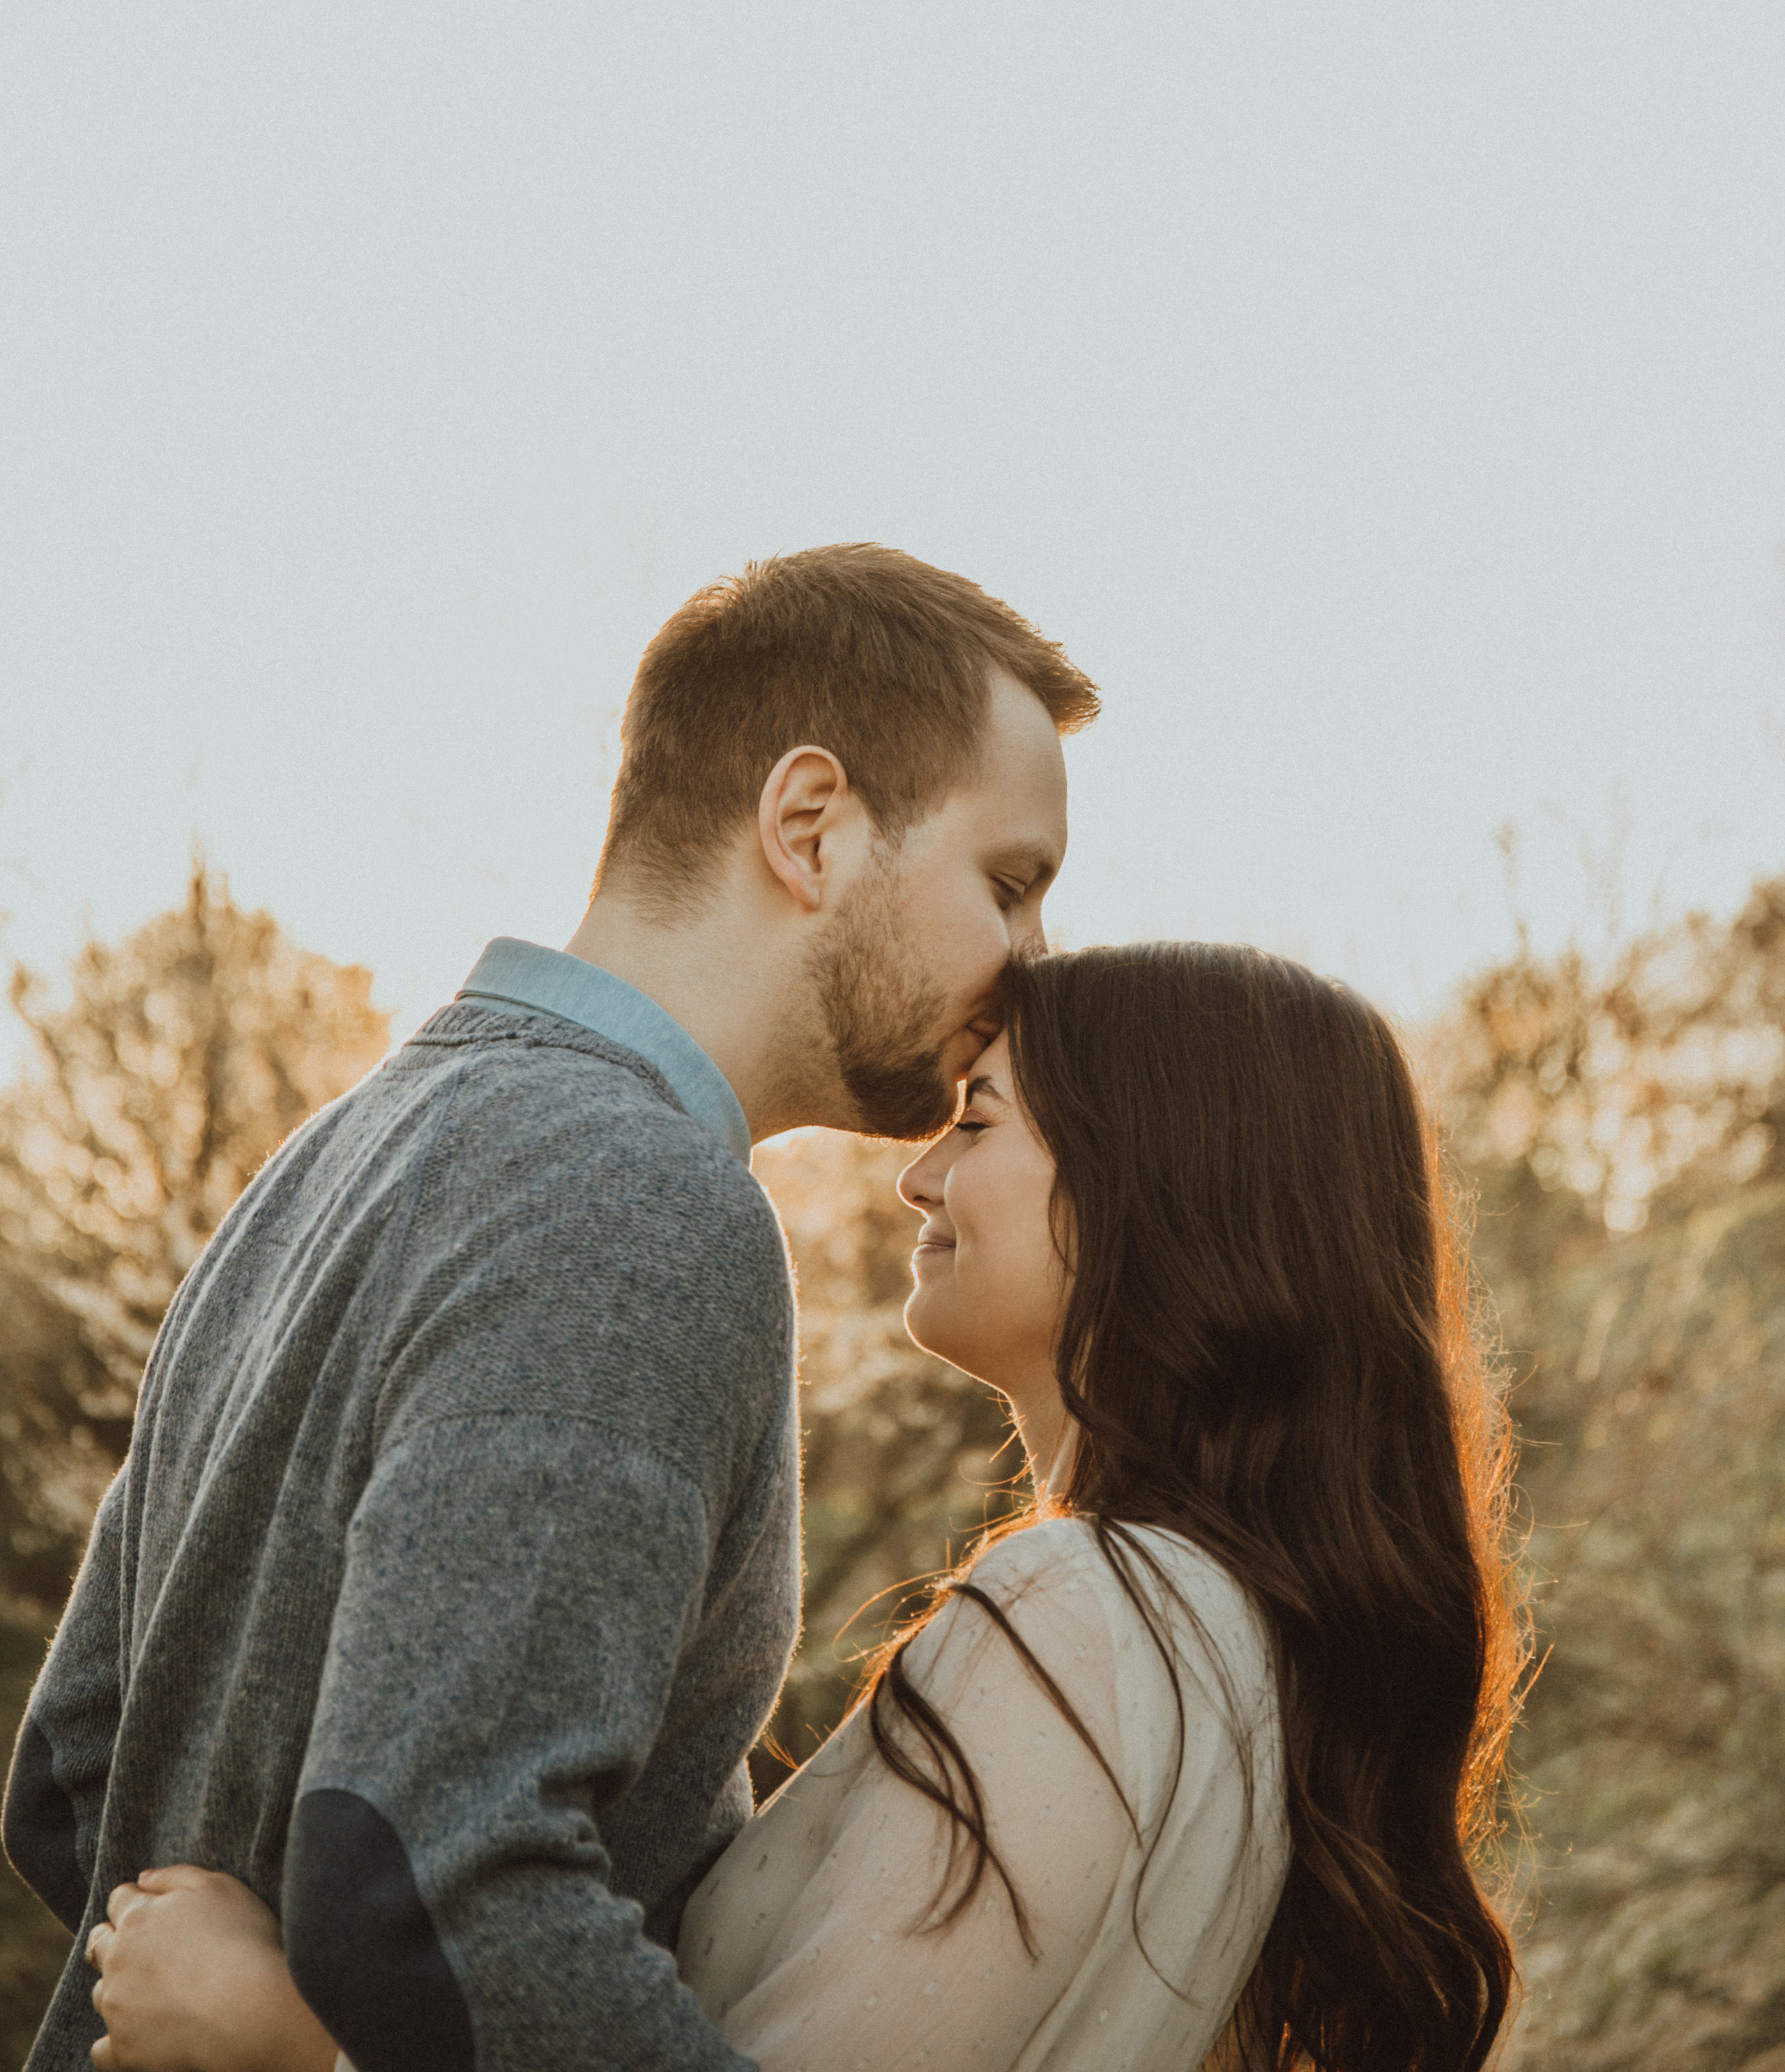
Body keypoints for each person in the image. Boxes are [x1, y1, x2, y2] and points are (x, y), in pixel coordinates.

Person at [2, 544, 1095, 2072]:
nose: (1028, 962)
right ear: (809, 826)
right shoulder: (640, 1202)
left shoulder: (337, 1150)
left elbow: (72, 1785)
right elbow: (441, 1881)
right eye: (1010, 883)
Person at [84, 942, 1524, 2072]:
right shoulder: (1218, 1635)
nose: (918, 1173)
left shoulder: (1082, 1610)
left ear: (1154, 1182)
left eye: (977, 1121)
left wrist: (296, 2043)